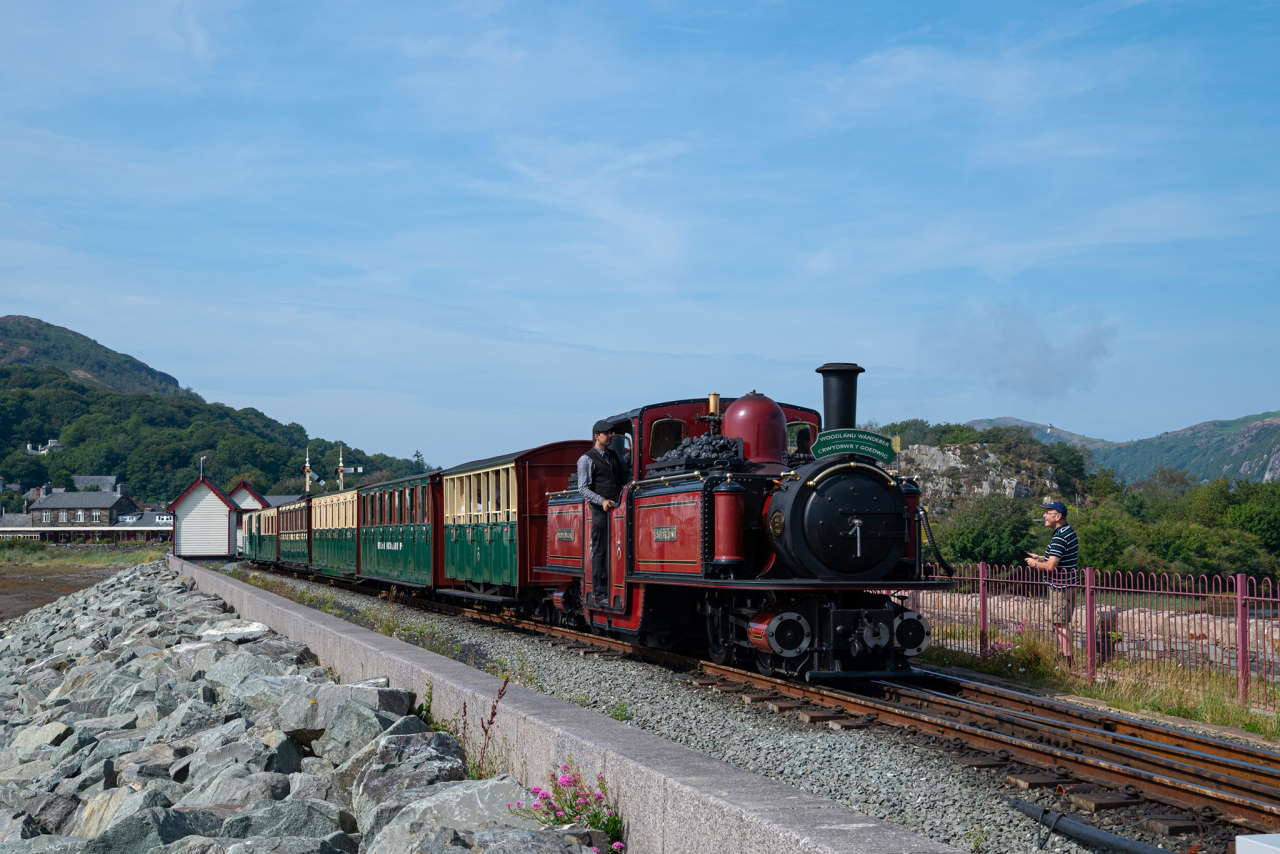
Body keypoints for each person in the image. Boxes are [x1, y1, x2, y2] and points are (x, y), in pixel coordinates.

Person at [577, 420, 629, 608]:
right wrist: (602, 501)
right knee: (600, 549)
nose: (610, 436)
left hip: (618, 506)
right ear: (596, 435)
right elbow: (582, 488)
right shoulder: (586, 459)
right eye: (606, 433)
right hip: (599, 509)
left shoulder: (614, 455)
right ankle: (599, 592)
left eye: (611, 433)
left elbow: (624, 478)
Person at [1025, 500, 1079, 667]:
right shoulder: (1068, 531)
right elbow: (1057, 559)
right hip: (1069, 583)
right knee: (1062, 622)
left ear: (1058, 516)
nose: (1044, 515)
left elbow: (1050, 566)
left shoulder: (1059, 537)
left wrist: (1035, 564)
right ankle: (1065, 655)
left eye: (1048, 512)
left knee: (1060, 623)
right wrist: (1040, 557)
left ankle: (1067, 660)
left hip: (1060, 587)